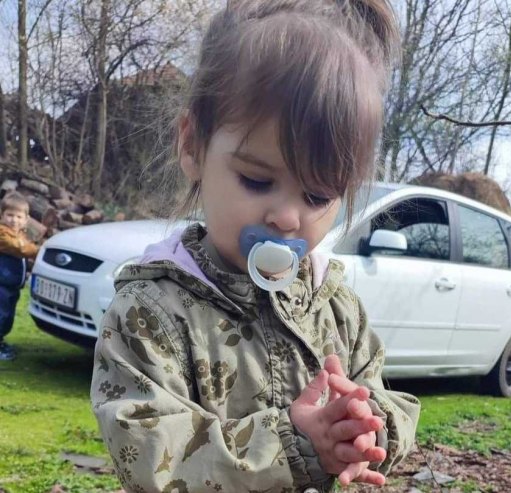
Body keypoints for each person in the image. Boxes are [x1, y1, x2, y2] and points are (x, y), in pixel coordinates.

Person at [90, 1, 421, 492]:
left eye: (317, 195)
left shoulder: (337, 308)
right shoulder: (150, 312)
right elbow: (151, 457)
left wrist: (363, 426)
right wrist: (297, 444)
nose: (287, 217)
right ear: (192, 146)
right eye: (256, 179)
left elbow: (380, 394)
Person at [0, 191, 39, 361]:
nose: (13, 220)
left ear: (26, 220)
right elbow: (20, 249)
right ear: (2, 215)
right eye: (9, 215)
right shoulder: (3, 235)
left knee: (7, 315)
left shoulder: (19, 235)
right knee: (1, 314)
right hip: (2, 284)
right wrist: (39, 251)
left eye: (18, 216)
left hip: (11, 285)